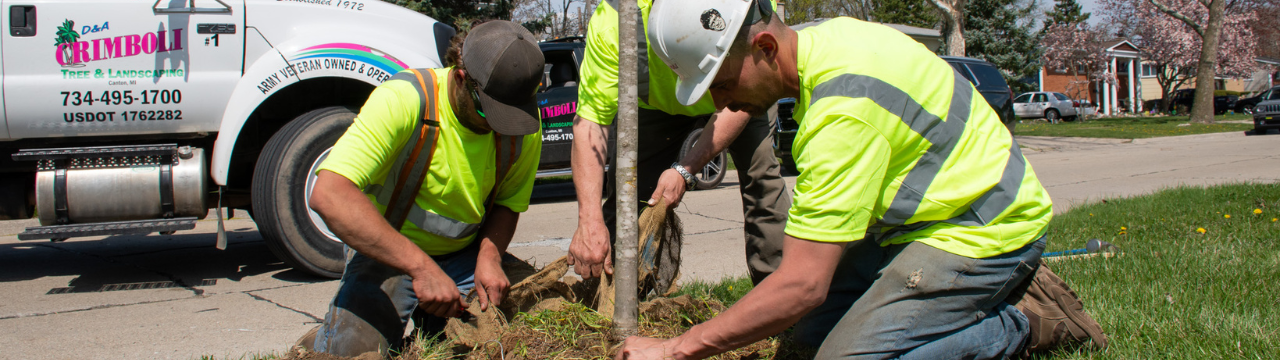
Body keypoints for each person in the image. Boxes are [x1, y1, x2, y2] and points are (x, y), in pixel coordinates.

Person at [619, 0, 1059, 358]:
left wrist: (675, 350)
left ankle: (1016, 323)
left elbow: (803, 284)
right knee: (808, 336)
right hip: (924, 221)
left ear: (766, 48)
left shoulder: (842, 113)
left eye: (722, 82)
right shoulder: (825, 43)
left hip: (984, 228)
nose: (718, 101)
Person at [304, 20, 544, 357]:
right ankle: (331, 335)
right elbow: (328, 194)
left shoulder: (523, 129)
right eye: (488, 111)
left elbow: (507, 203)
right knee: (351, 352)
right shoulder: (405, 99)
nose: (497, 126)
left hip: (465, 259)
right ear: (461, 78)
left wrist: (489, 257)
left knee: (531, 328)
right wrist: (421, 268)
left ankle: (432, 331)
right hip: (389, 256)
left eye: (508, 116)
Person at [569, 0, 791, 285]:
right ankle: (620, 298)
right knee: (632, 194)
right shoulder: (615, 17)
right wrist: (589, 220)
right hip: (657, 107)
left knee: (762, 183)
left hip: (738, 93)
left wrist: (685, 169)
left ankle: (781, 296)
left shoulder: (745, 6)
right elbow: (590, 122)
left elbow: (744, 97)